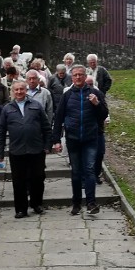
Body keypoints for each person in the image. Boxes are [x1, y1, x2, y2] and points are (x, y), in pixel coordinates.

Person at [52, 65, 108, 216]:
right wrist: (56, 139)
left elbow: (104, 115)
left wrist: (96, 104)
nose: (78, 77)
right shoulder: (68, 95)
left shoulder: (95, 93)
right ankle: (76, 203)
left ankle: (91, 203)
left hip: (90, 138)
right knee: (76, 172)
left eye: (81, 75)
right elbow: (58, 118)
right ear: (72, 77)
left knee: (89, 170)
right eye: (75, 75)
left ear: (85, 76)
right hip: (73, 138)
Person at [0, 80, 52, 218]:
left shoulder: (36, 105)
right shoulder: (7, 109)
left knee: (37, 179)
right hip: (17, 150)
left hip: (36, 149)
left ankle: (36, 204)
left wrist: (47, 145)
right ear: (12, 92)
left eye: (22, 89)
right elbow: (0, 131)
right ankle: (21, 209)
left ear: (26, 90)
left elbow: (46, 127)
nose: (19, 92)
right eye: (16, 90)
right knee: (19, 181)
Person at [86, 74, 110, 185]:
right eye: (88, 84)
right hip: (85, 131)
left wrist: (97, 104)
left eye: (91, 84)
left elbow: (105, 111)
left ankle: (95, 174)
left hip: (98, 129)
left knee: (99, 153)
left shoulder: (98, 94)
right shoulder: (76, 94)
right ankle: (87, 176)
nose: (89, 86)